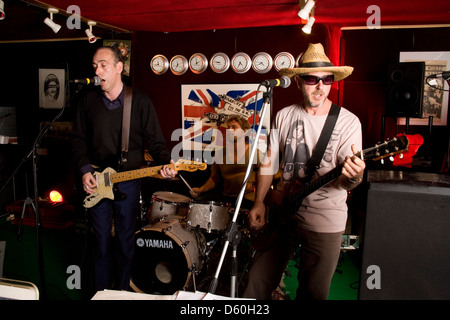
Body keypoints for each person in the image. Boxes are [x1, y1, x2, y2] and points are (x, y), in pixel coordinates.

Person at [243, 43, 366, 300]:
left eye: (327, 79)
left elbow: (347, 181)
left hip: (325, 220)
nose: (320, 86)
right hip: (283, 214)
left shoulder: (347, 122)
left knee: (313, 292)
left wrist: (354, 175)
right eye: (312, 79)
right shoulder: (284, 115)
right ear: (298, 81)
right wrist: (259, 202)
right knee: (256, 282)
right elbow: (269, 161)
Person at [72, 44, 176, 292]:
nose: (97, 71)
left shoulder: (139, 101)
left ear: (119, 68)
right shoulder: (86, 100)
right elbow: (77, 139)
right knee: (100, 242)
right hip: (97, 180)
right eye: (95, 66)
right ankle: (100, 293)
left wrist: (166, 165)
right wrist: (85, 170)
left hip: (128, 181)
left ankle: (121, 292)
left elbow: (157, 143)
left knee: (126, 240)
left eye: (103, 65)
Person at [189, 115, 258, 210]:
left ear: (245, 131)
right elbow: (214, 178)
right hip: (226, 200)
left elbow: (268, 176)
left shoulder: (255, 152)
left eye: (234, 127)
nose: (229, 130)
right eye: (228, 128)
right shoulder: (219, 154)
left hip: (247, 200)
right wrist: (201, 190)